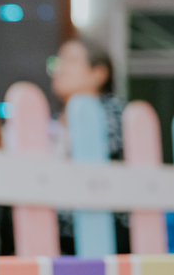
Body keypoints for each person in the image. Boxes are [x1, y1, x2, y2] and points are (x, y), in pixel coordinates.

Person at [49, 36, 129, 254]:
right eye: (58, 61)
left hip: (104, 233)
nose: (60, 68)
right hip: (52, 234)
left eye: (71, 60)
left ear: (99, 73)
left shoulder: (116, 115)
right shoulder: (49, 123)